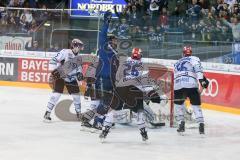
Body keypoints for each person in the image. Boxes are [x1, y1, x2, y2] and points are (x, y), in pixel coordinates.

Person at [99, 48, 164, 141]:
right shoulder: (143, 65)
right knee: (139, 112)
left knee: (111, 110)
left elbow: (117, 77)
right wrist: (153, 95)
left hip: (120, 88)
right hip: (133, 91)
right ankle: (143, 133)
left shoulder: (124, 63)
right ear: (140, 56)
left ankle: (104, 132)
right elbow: (145, 84)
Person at [83, 10, 119, 128]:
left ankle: (87, 119)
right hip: (102, 78)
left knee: (98, 102)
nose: (116, 42)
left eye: (116, 40)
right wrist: (106, 22)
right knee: (104, 101)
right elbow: (102, 35)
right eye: (114, 40)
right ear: (110, 41)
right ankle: (98, 121)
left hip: (105, 79)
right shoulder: (105, 48)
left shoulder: (115, 53)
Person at [43, 39, 84, 121]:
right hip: (60, 77)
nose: (80, 48)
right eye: (79, 46)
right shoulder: (65, 52)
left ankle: (79, 114)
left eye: (80, 47)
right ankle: (47, 113)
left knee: (76, 96)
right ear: (74, 46)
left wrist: (79, 74)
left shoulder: (79, 57)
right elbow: (53, 60)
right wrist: (54, 72)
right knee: (56, 95)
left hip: (71, 78)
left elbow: (79, 68)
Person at [173, 46, 209, 135]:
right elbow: (198, 70)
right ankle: (201, 125)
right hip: (191, 84)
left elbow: (177, 74)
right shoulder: (194, 58)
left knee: (178, 105)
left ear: (183, 53)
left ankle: (181, 124)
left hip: (178, 85)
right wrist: (202, 81)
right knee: (196, 106)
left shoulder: (177, 62)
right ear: (190, 52)